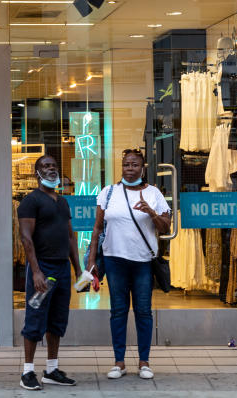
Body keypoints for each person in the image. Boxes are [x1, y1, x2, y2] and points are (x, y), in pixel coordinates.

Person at [86, 149, 171, 380]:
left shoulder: (154, 193)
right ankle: (119, 362)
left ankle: (144, 362)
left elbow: (165, 227)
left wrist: (151, 212)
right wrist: (92, 261)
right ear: (121, 167)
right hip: (114, 261)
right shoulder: (109, 192)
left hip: (143, 262)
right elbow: (97, 228)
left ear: (142, 168)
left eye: (134, 165)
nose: (130, 169)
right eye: (126, 165)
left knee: (143, 312)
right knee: (118, 312)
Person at [17, 155, 81, 391]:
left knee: (57, 321)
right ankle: (27, 372)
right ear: (37, 172)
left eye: (54, 166)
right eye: (45, 166)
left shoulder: (63, 202)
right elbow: (25, 238)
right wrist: (35, 272)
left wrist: (78, 270)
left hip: (62, 268)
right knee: (35, 320)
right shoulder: (30, 201)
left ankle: (52, 370)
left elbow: (70, 237)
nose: (51, 169)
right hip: (43, 268)